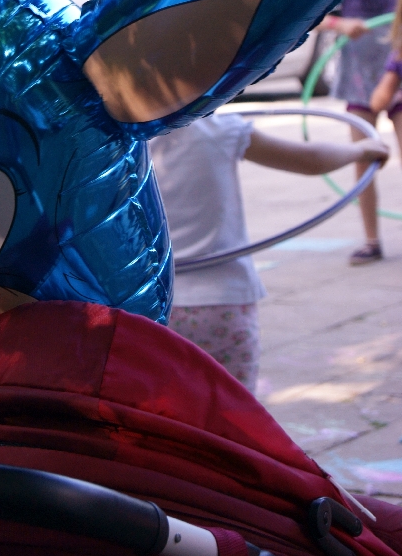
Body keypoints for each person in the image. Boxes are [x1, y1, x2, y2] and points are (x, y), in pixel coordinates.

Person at [149, 115, 388, 393]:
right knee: (233, 409)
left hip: (150, 308)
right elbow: (309, 159)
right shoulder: (223, 129)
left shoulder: (123, 139)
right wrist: (361, 150)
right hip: (222, 304)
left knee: (161, 409)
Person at [317, 0, 402, 264]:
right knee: (364, 161)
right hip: (358, 82)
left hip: (396, 76)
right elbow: (310, 18)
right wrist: (340, 24)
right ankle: (371, 240)